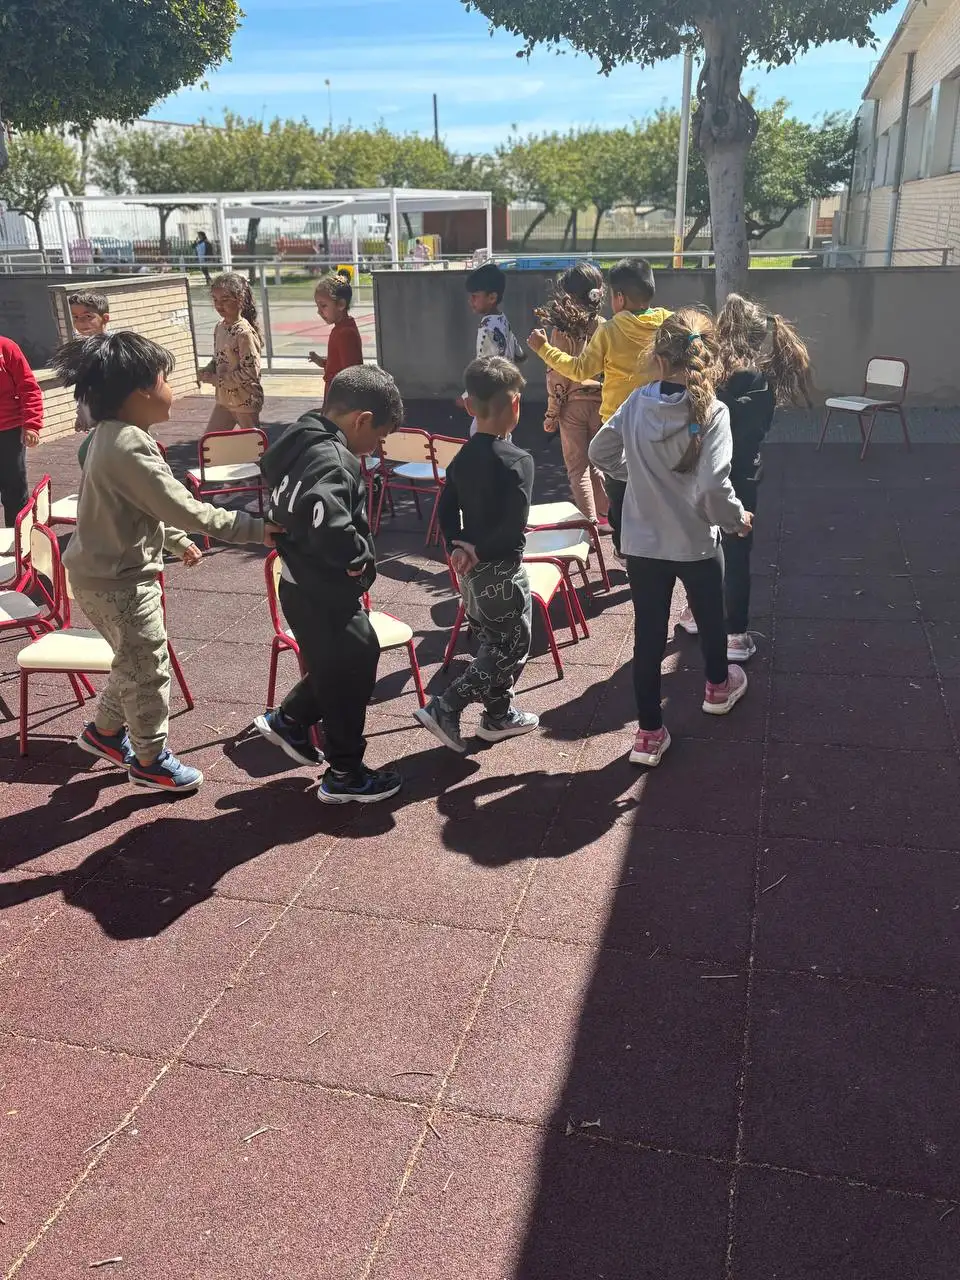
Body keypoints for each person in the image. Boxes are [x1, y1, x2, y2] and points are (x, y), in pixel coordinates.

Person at [51, 333, 276, 793]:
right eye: (165, 379)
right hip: (121, 582)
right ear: (141, 391)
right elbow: (182, 507)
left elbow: (132, 505)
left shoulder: (108, 437)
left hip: (101, 575)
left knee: (131, 661)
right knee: (149, 670)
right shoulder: (128, 445)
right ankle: (150, 761)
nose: (171, 388)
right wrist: (257, 528)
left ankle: (105, 733)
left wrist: (172, 539)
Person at [588, 310, 753, 769]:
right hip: (696, 541)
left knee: (648, 637)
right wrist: (735, 520)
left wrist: (637, 477)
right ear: (708, 357)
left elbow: (599, 451)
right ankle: (718, 687)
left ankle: (648, 734)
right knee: (711, 620)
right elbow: (714, 485)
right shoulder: (713, 411)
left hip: (643, 543)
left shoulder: (636, 402)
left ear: (657, 358)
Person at [254, 365, 405, 805]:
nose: (376, 448)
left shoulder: (301, 435)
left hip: (299, 581)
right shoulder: (336, 460)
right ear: (361, 420)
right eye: (378, 437)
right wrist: (357, 559)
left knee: (349, 657)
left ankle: (290, 720)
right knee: (350, 673)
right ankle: (344, 773)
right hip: (323, 589)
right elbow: (330, 520)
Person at [676, 293, 812, 663]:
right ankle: (735, 634)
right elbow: (759, 428)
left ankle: (696, 613)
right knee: (736, 555)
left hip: (699, 474)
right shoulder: (761, 382)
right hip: (741, 478)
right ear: (758, 337)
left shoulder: (706, 375)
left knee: (699, 546)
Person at [415, 356, 538, 753]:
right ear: (515, 404)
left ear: (469, 406)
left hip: (469, 571)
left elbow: (446, 508)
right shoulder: (518, 461)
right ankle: (446, 705)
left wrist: (457, 546)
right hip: (500, 570)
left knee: (491, 641)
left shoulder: (463, 456)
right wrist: (480, 549)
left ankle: (498, 715)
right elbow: (513, 526)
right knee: (511, 646)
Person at [528, 258, 670, 556]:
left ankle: (604, 532)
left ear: (619, 298)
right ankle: (639, 536)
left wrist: (544, 352)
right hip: (649, 416)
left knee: (591, 472)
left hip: (607, 417)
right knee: (639, 478)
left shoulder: (604, 330)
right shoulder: (662, 324)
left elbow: (572, 372)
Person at [536, 263, 608, 526]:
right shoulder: (605, 326)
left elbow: (557, 375)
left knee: (578, 469)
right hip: (601, 402)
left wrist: (551, 414)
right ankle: (610, 516)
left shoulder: (562, 330)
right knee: (598, 463)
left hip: (573, 405)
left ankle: (589, 525)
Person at [463, 261, 526, 437]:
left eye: (475, 296)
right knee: (504, 434)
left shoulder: (486, 327)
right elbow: (515, 346)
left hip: (490, 394)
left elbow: (483, 363)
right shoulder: (502, 318)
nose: (471, 301)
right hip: (507, 389)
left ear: (492, 297)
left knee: (481, 434)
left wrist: (468, 394)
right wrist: (519, 356)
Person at [199, 272, 264, 431]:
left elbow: (250, 372)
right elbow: (219, 358)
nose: (219, 305)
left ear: (240, 299)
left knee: (254, 442)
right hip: (224, 400)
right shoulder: (219, 327)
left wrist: (218, 380)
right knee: (211, 442)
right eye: (215, 300)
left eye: (225, 300)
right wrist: (209, 369)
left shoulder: (244, 333)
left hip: (245, 401)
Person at [0, 334, 43, 529]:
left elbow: (28, 387)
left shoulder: (6, 347)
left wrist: (32, 424)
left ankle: (18, 539)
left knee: (14, 491)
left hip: (8, 431)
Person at [307, 274, 364, 390]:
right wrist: (322, 362)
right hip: (336, 394)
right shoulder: (341, 329)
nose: (319, 312)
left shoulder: (345, 334)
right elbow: (338, 365)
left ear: (341, 304)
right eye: (318, 306)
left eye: (323, 306)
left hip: (340, 397)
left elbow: (351, 374)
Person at [69, 291, 110, 451]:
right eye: (76, 317)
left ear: (105, 318)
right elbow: (84, 387)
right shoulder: (82, 351)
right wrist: (81, 416)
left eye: (87, 316)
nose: (81, 323)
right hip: (96, 425)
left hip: (115, 422)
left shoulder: (113, 348)